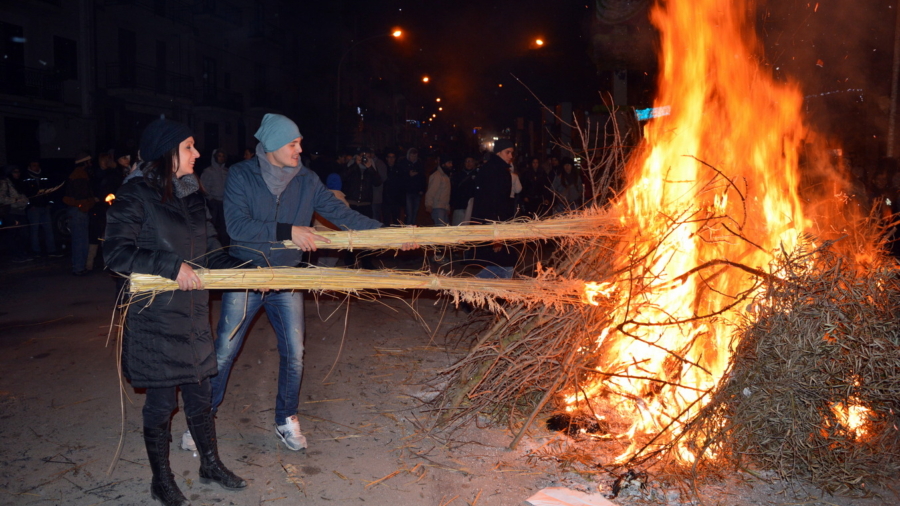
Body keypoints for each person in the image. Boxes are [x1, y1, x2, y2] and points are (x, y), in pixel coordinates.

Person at [201, 113, 389, 453]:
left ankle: (286, 418)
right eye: (293, 143)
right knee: (225, 352)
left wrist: (387, 234)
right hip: (247, 274)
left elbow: (342, 214)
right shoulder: (241, 176)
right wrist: (290, 232)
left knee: (295, 353)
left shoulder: (307, 180)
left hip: (288, 277)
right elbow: (238, 227)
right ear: (272, 145)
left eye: (299, 142)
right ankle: (202, 420)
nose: (300, 149)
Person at [104, 118, 247, 506]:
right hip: (156, 319)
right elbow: (116, 254)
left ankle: (210, 464)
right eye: (189, 147)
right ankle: (160, 479)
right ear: (167, 154)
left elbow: (214, 250)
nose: (197, 154)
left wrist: (251, 273)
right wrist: (170, 266)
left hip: (193, 316)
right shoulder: (134, 196)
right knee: (162, 403)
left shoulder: (193, 193)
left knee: (201, 397)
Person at [471, 139, 517, 279]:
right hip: (495, 226)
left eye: (512, 153)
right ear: (498, 153)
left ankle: (471, 293)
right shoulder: (495, 171)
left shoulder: (497, 168)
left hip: (496, 225)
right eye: (507, 152)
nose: (510, 156)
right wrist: (497, 236)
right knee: (505, 264)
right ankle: (469, 292)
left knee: (500, 265)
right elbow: (491, 203)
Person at [19, 160, 61, 257]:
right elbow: (24, 194)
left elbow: (49, 191)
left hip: (44, 207)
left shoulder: (43, 177)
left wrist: (49, 203)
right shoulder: (26, 178)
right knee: (35, 230)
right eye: (34, 165)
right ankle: (36, 251)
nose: (36, 167)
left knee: (49, 230)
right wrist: (30, 205)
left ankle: (51, 250)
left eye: (37, 165)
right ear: (29, 166)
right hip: (34, 209)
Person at [63, 153, 96, 275]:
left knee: (79, 240)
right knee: (80, 240)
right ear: (85, 163)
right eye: (89, 162)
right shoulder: (80, 176)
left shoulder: (78, 175)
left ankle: (79, 266)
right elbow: (81, 196)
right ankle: (79, 268)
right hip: (79, 212)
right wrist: (87, 204)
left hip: (77, 211)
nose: (91, 164)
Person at [200, 149, 230, 246]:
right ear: (215, 157)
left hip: (225, 203)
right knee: (212, 227)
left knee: (225, 227)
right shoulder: (208, 171)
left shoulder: (227, 171)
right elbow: (202, 186)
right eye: (219, 156)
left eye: (223, 156)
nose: (221, 158)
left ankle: (225, 247)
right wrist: (210, 199)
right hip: (213, 203)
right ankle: (213, 249)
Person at [1, 165, 30, 262]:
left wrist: (25, 201)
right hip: (12, 212)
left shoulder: (19, 182)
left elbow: (23, 195)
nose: (17, 174)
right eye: (15, 172)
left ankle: (21, 253)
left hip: (21, 211)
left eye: (18, 172)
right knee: (14, 234)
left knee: (24, 234)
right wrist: (16, 200)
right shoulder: (5, 183)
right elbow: (1, 198)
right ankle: (16, 255)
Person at [399, 148, 426, 225]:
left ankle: (413, 227)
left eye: (415, 156)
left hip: (417, 192)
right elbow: (401, 178)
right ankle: (408, 227)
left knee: (415, 213)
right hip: (408, 192)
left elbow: (423, 178)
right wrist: (408, 175)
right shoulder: (404, 164)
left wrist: (422, 190)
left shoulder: (419, 164)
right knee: (409, 213)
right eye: (412, 156)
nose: (414, 158)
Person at [425, 155, 452, 226]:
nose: (450, 165)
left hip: (443, 208)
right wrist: (429, 205)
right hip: (437, 207)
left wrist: (447, 207)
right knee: (441, 230)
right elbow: (431, 191)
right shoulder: (437, 176)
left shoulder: (446, 176)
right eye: (448, 163)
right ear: (443, 164)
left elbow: (446, 194)